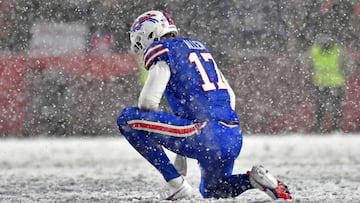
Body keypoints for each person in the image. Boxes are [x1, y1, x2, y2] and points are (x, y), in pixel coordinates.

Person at [117, 10, 292, 200]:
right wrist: (182, 146)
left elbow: (148, 103)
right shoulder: (199, 47)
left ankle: (175, 184)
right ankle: (253, 181)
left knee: (127, 118)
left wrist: (173, 139)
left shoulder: (161, 50)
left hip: (205, 132)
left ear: (148, 33)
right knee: (214, 190)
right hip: (232, 134)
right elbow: (230, 98)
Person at [310, 34, 348, 133]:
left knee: (320, 109)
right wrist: (344, 76)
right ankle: (336, 129)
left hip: (321, 83)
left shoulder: (314, 51)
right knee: (335, 108)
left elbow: (308, 66)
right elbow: (347, 66)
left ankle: (319, 128)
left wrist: (312, 75)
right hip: (335, 83)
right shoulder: (339, 51)